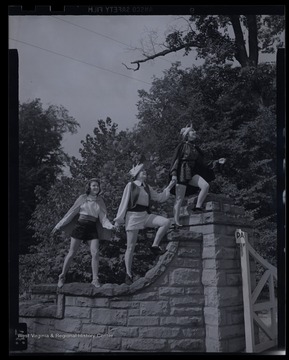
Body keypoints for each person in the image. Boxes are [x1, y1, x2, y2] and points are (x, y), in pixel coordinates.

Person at [114, 163, 176, 285]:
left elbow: (160, 197)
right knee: (130, 247)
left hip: (145, 215)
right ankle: (128, 274)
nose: (145, 173)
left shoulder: (147, 187)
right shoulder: (130, 185)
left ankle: (155, 245)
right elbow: (124, 202)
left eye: (145, 171)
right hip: (132, 216)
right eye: (142, 171)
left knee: (165, 222)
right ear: (136, 174)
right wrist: (118, 220)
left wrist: (170, 186)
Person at [51, 178, 115, 288]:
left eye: (97, 186)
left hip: (92, 228)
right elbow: (70, 214)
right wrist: (58, 226)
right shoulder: (82, 198)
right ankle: (62, 276)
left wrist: (112, 226)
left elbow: (103, 219)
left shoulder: (100, 201)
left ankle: (95, 279)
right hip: (80, 226)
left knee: (95, 253)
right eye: (93, 185)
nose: (96, 187)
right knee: (72, 253)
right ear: (89, 187)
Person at [169, 124, 226, 226]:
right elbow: (176, 160)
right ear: (186, 135)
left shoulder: (195, 148)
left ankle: (198, 207)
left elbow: (203, 163)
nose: (195, 132)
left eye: (194, 131)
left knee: (205, 186)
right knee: (179, 198)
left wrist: (217, 161)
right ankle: (175, 221)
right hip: (181, 172)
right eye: (192, 131)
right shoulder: (182, 146)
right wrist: (174, 174)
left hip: (191, 172)